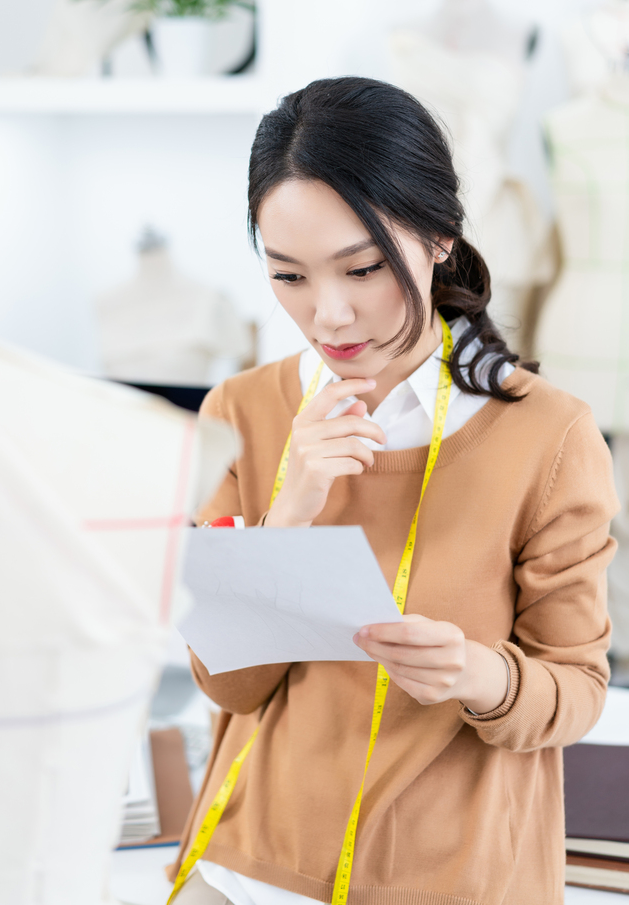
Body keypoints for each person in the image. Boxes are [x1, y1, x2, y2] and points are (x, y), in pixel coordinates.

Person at [169, 77, 618, 905]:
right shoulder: (243, 411)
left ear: (438, 236)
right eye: (288, 276)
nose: (328, 315)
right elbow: (226, 686)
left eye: (362, 268)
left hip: (454, 883)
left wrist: (479, 676)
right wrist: (289, 511)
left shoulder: (546, 436)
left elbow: (578, 690)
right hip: (244, 875)